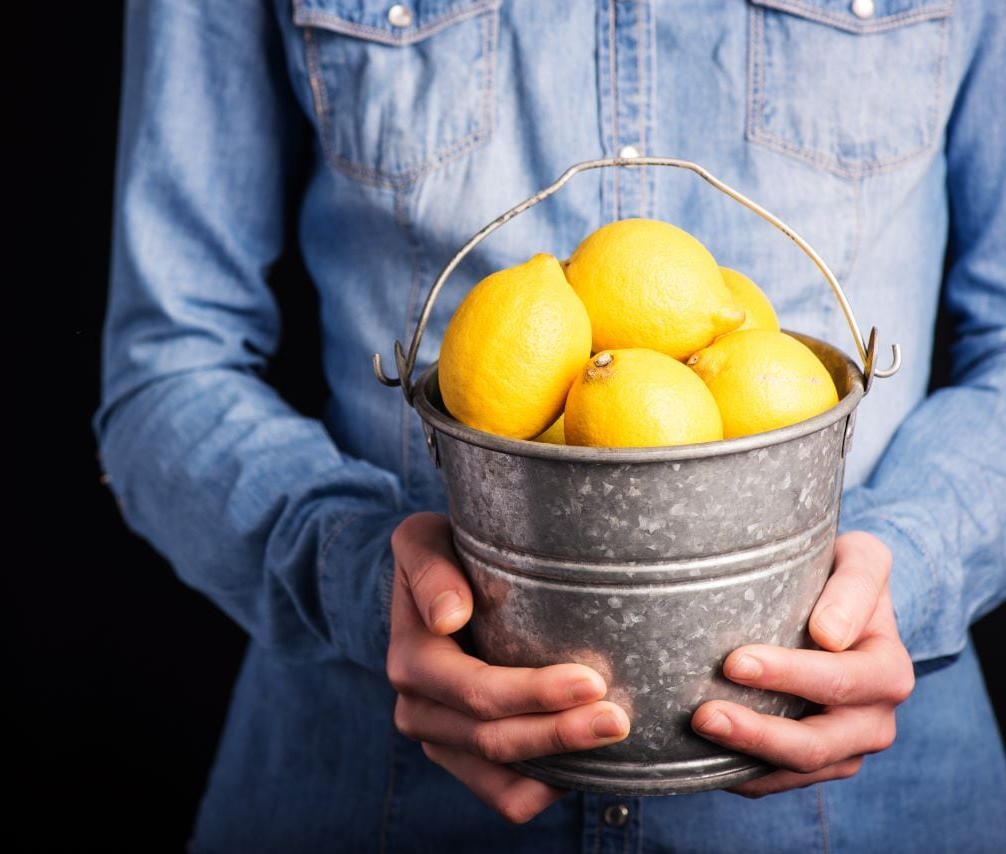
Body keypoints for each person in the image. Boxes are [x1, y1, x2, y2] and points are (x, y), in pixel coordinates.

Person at [96, 1, 1006, 850]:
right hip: (373, 791)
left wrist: (909, 569)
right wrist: (359, 578)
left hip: (874, 811)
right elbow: (167, 367)